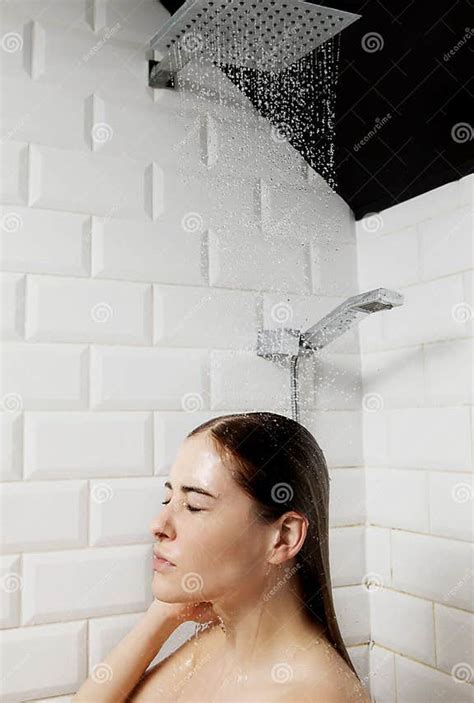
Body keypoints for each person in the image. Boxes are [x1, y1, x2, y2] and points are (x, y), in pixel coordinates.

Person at [73, 411, 371, 702]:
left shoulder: (313, 694)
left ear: (283, 537)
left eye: (193, 505)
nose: (158, 524)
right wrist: (163, 615)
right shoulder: (214, 646)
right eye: (168, 499)